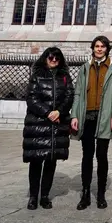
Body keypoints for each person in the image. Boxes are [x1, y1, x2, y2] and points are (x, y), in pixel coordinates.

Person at [70, 36, 112, 210]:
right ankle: (85, 193)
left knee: (102, 155)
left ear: (107, 49)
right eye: (97, 46)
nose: (99, 49)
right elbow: (78, 93)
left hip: (105, 117)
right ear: (92, 48)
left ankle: (100, 194)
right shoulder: (85, 68)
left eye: (102, 46)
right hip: (87, 116)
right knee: (87, 155)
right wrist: (74, 115)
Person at [23, 47, 74, 210]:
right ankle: (33, 196)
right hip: (39, 123)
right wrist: (47, 112)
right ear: (45, 58)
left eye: (56, 58)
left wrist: (59, 111)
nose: (53, 60)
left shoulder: (65, 77)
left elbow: (69, 96)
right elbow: (31, 98)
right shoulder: (37, 76)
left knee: (51, 161)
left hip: (57, 125)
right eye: (50, 57)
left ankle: (45, 196)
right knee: (36, 161)